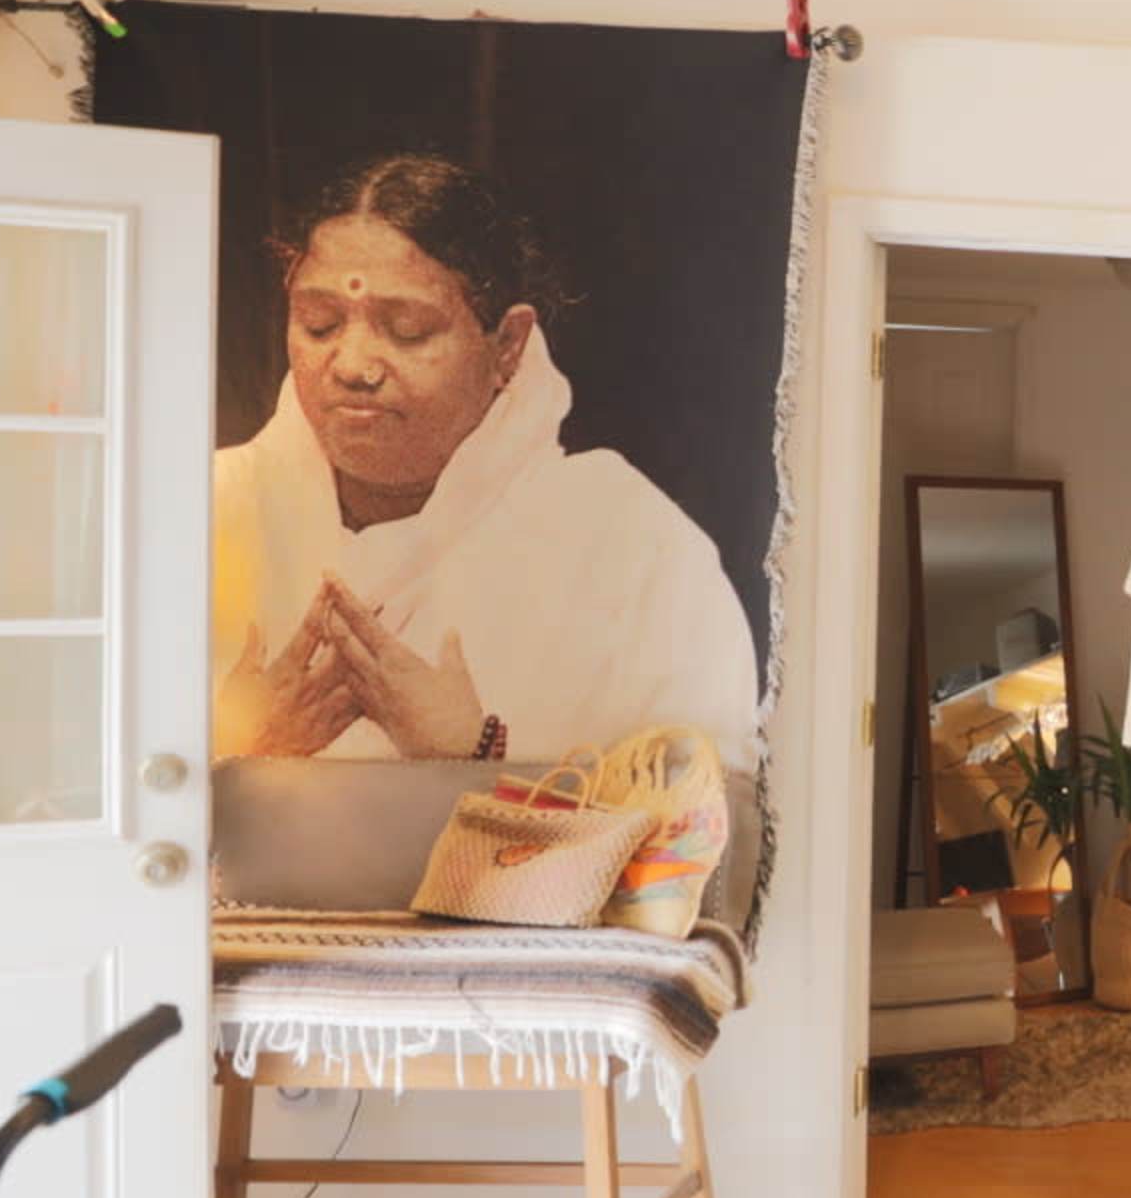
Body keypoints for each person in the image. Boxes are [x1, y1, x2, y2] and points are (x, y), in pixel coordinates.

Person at [211, 154, 758, 767]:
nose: (352, 365)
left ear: (507, 346)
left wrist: (473, 760)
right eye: (319, 323)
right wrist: (233, 754)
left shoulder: (629, 547)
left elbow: (709, 824)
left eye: (408, 329)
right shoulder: (204, 510)